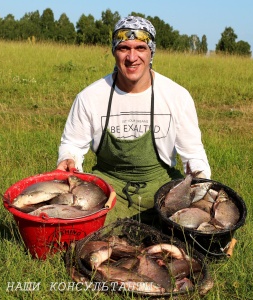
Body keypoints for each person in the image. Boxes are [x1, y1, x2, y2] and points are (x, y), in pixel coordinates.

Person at [57, 15, 211, 225]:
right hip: (107, 188)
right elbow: (72, 144)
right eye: (123, 48)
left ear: (151, 52)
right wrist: (68, 158)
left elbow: (193, 153)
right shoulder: (90, 97)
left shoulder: (177, 96)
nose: (132, 57)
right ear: (114, 51)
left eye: (140, 48)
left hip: (162, 190)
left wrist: (198, 173)